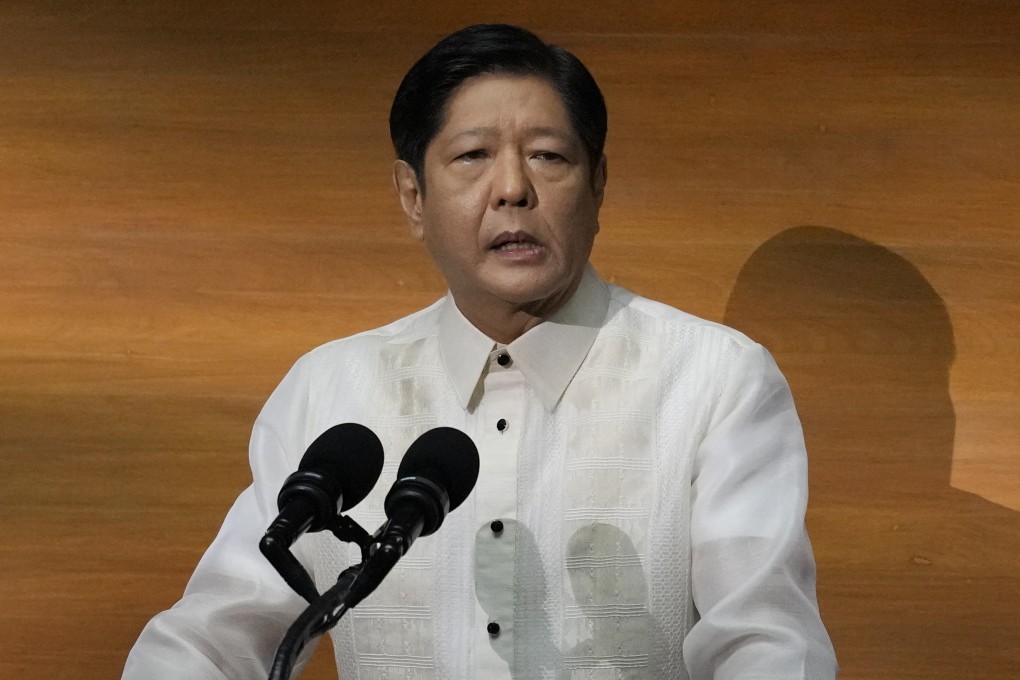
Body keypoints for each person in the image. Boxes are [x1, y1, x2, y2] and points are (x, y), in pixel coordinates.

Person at [123, 24, 838, 680]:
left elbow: (767, 644)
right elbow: (217, 635)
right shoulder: (330, 390)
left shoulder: (715, 382)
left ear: (598, 185)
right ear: (412, 197)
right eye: (472, 156)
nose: (512, 190)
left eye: (549, 157)